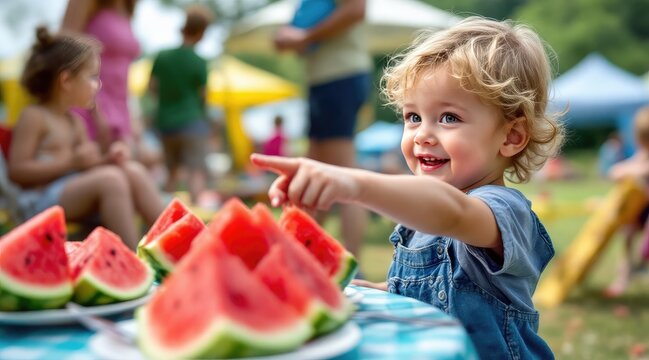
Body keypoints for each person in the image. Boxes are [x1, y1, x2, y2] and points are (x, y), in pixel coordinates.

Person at [253, 16, 564, 359]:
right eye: (413, 117)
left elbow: (452, 213)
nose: (423, 135)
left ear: (512, 136)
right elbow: (430, 293)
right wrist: (371, 291)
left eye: (449, 118)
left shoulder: (503, 211)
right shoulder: (420, 218)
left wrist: (351, 183)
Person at [8, 27, 164, 249]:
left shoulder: (75, 122)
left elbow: (88, 167)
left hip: (71, 192)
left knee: (132, 170)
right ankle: (129, 257)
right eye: (92, 77)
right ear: (66, 81)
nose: (97, 85)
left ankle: (174, 243)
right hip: (38, 201)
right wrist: (71, 163)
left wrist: (108, 159)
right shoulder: (35, 116)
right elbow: (18, 171)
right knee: (111, 180)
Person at [274, 0, 372, 261]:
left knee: (344, 169)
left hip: (339, 77)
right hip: (324, 80)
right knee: (315, 169)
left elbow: (356, 9)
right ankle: (307, 252)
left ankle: (353, 260)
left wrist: (305, 35)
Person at [61, 0, 144, 157]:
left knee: (129, 167)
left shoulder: (126, 8)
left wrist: (134, 116)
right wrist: (94, 107)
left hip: (120, 106)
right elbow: (65, 51)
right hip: (90, 104)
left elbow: (124, 73)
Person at [148, 5, 213, 205]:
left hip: (166, 123)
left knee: (171, 172)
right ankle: (196, 216)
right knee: (195, 171)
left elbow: (152, 87)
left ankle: (161, 214)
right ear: (202, 32)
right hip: (192, 122)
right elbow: (203, 96)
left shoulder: (163, 56)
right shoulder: (200, 61)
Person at [604, 106, 649, 297]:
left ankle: (642, 261)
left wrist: (636, 171)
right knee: (628, 235)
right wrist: (624, 170)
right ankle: (623, 277)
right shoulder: (641, 156)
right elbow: (615, 171)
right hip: (639, 208)